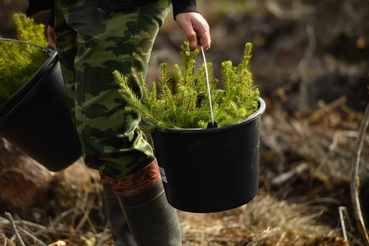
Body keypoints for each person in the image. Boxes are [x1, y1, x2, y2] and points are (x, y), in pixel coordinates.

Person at [26, 0, 211, 245]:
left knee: (112, 136)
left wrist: (185, 3)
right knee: (94, 131)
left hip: (119, 6)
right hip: (68, 7)